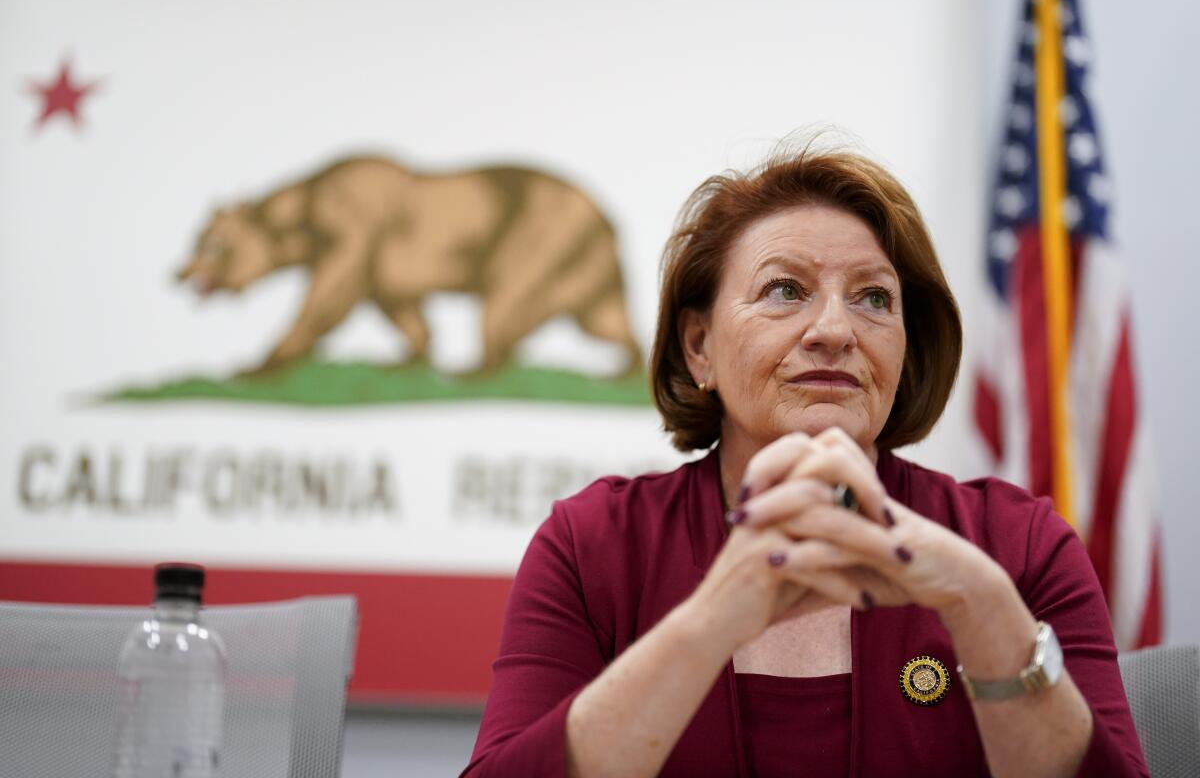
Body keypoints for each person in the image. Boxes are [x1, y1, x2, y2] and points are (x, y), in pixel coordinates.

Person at [461, 145, 1150, 777]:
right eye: (785, 290)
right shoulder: (594, 545)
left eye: (874, 298)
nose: (834, 331)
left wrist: (981, 605)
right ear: (699, 345)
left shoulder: (1017, 546)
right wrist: (712, 621)